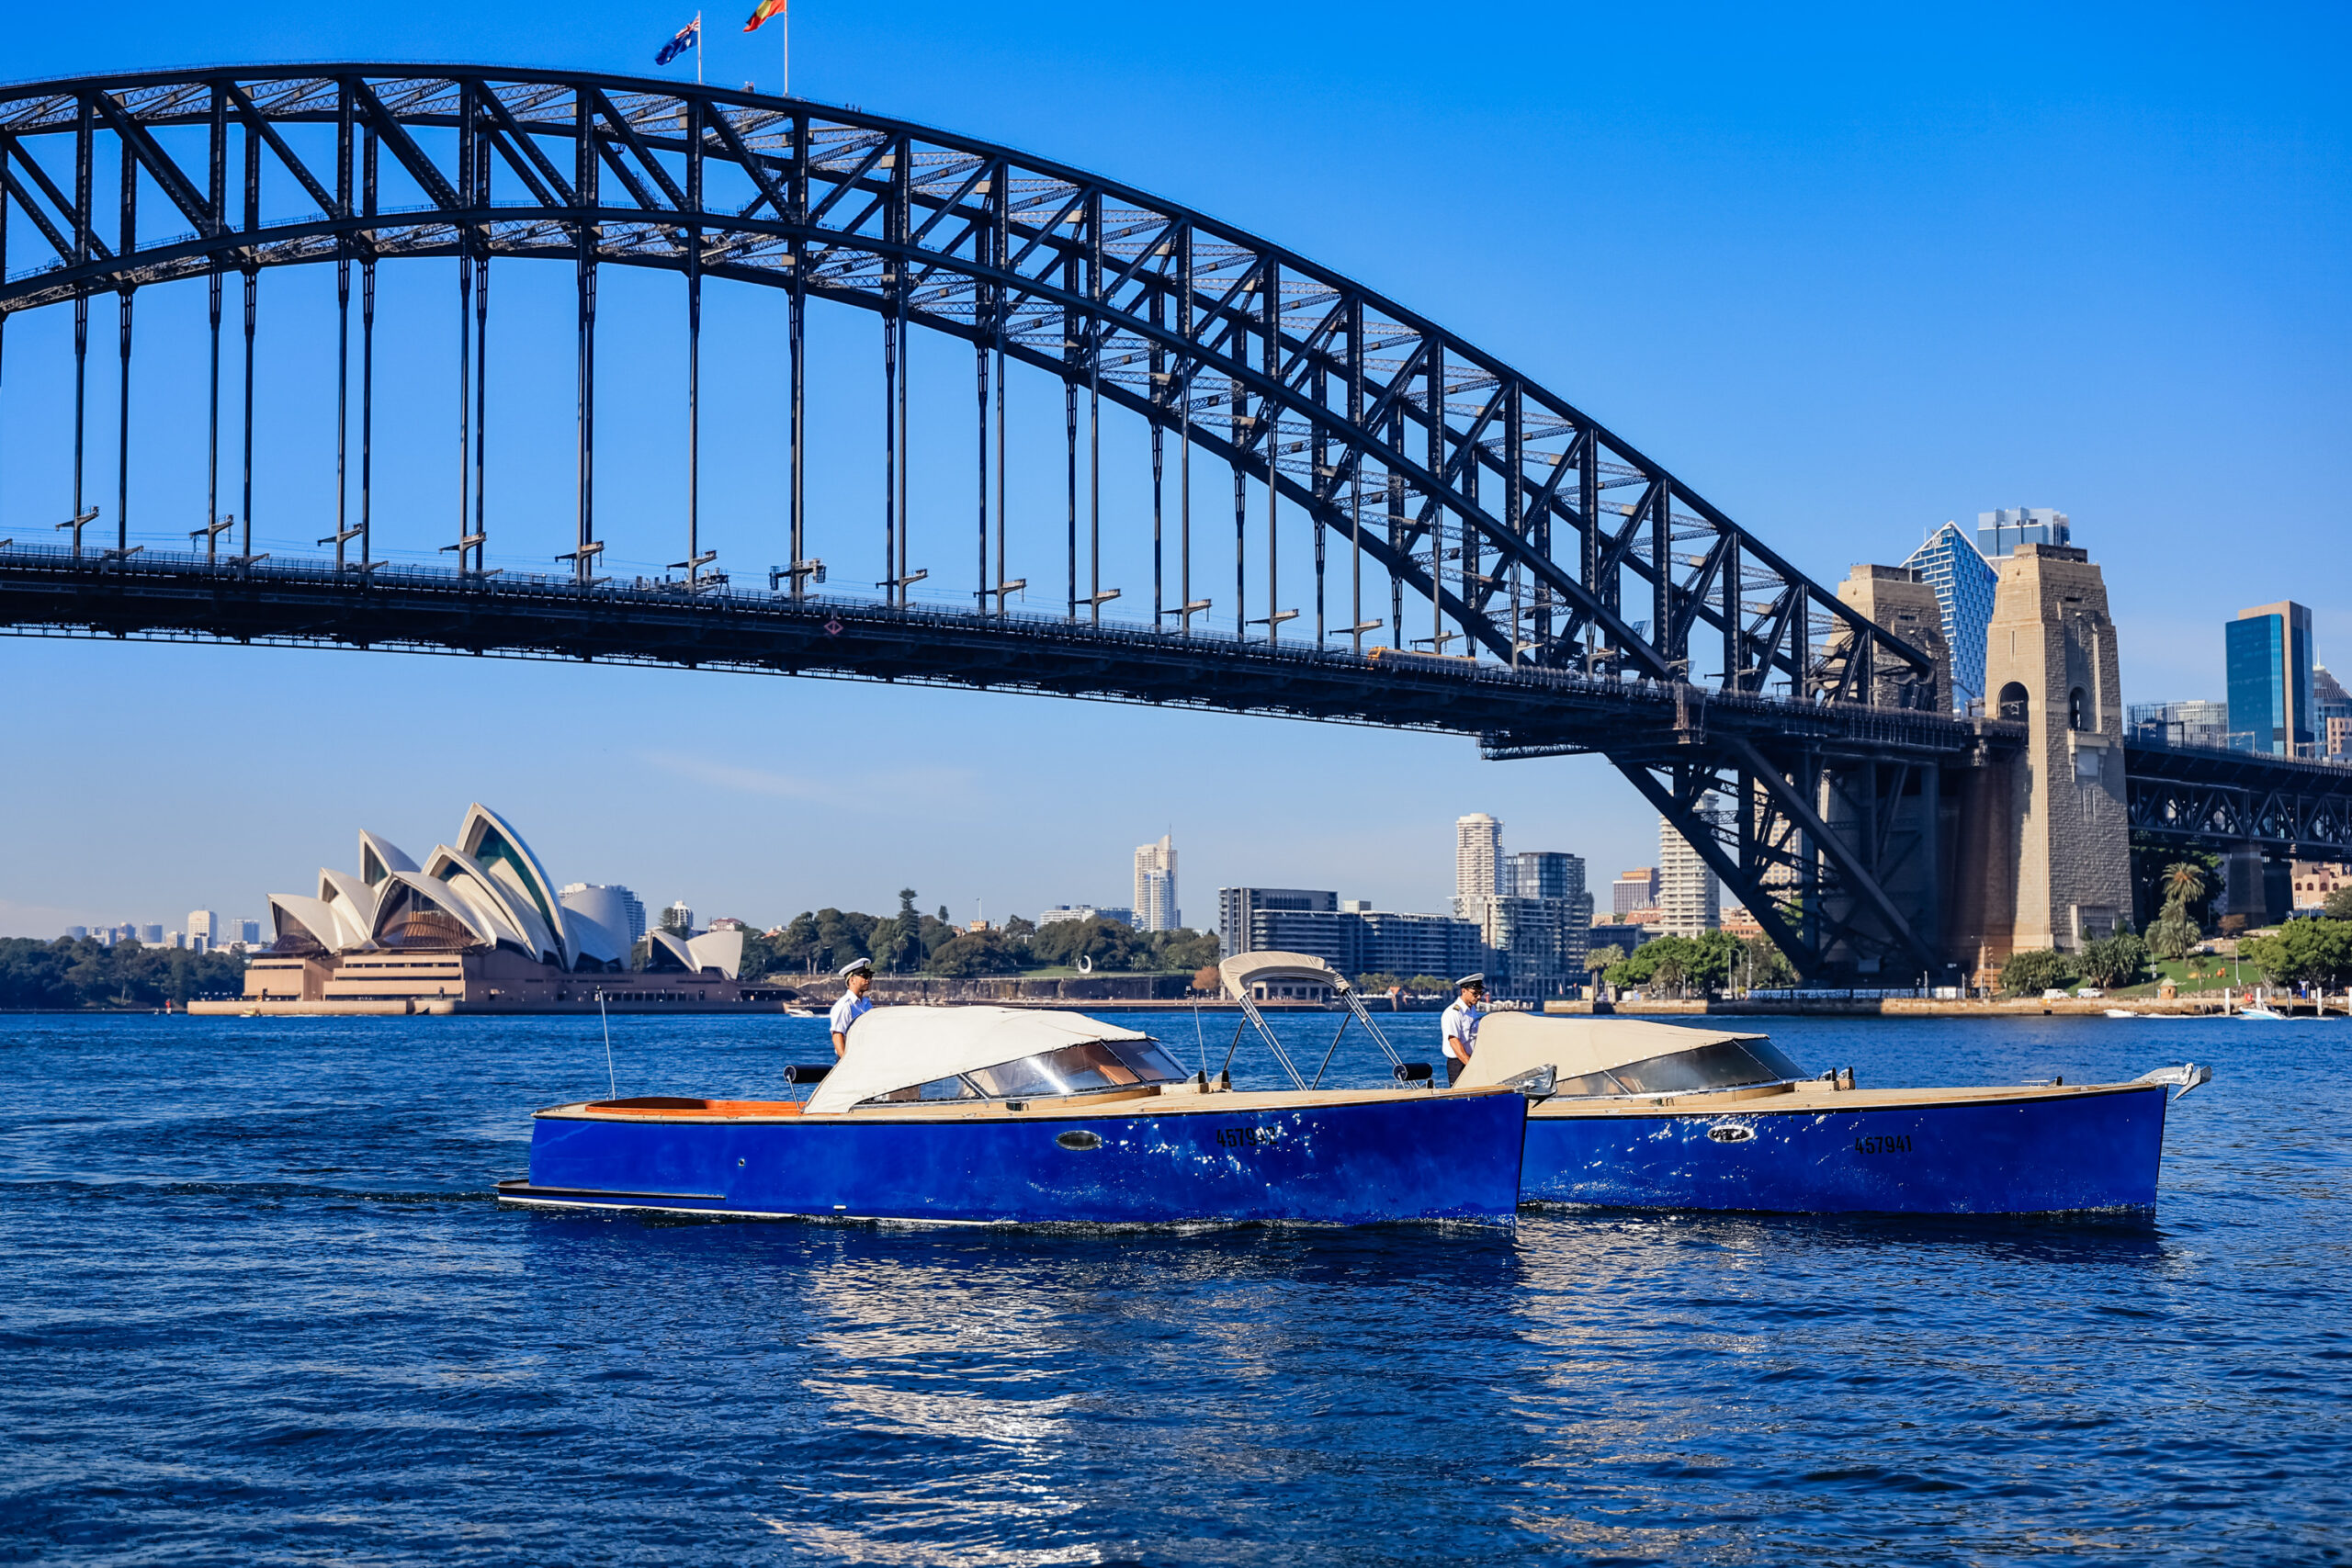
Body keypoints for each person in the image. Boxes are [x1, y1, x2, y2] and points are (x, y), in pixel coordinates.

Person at [1439, 973, 1485, 1087]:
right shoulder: (1453, 1013)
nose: (1478, 997)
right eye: (1475, 993)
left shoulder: (1472, 1010)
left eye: (1480, 993)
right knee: (1460, 1096)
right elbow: (1454, 1041)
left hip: (1472, 1059)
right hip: (1459, 1063)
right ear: (1464, 991)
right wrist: (1470, 1065)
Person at [830, 956, 875, 1057]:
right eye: (864, 976)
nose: (868, 980)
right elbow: (837, 1036)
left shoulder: (867, 1004)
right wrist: (846, 1063)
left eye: (870, 976)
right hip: (851, 1060)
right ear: (852, 980)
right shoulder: (845, 1005)